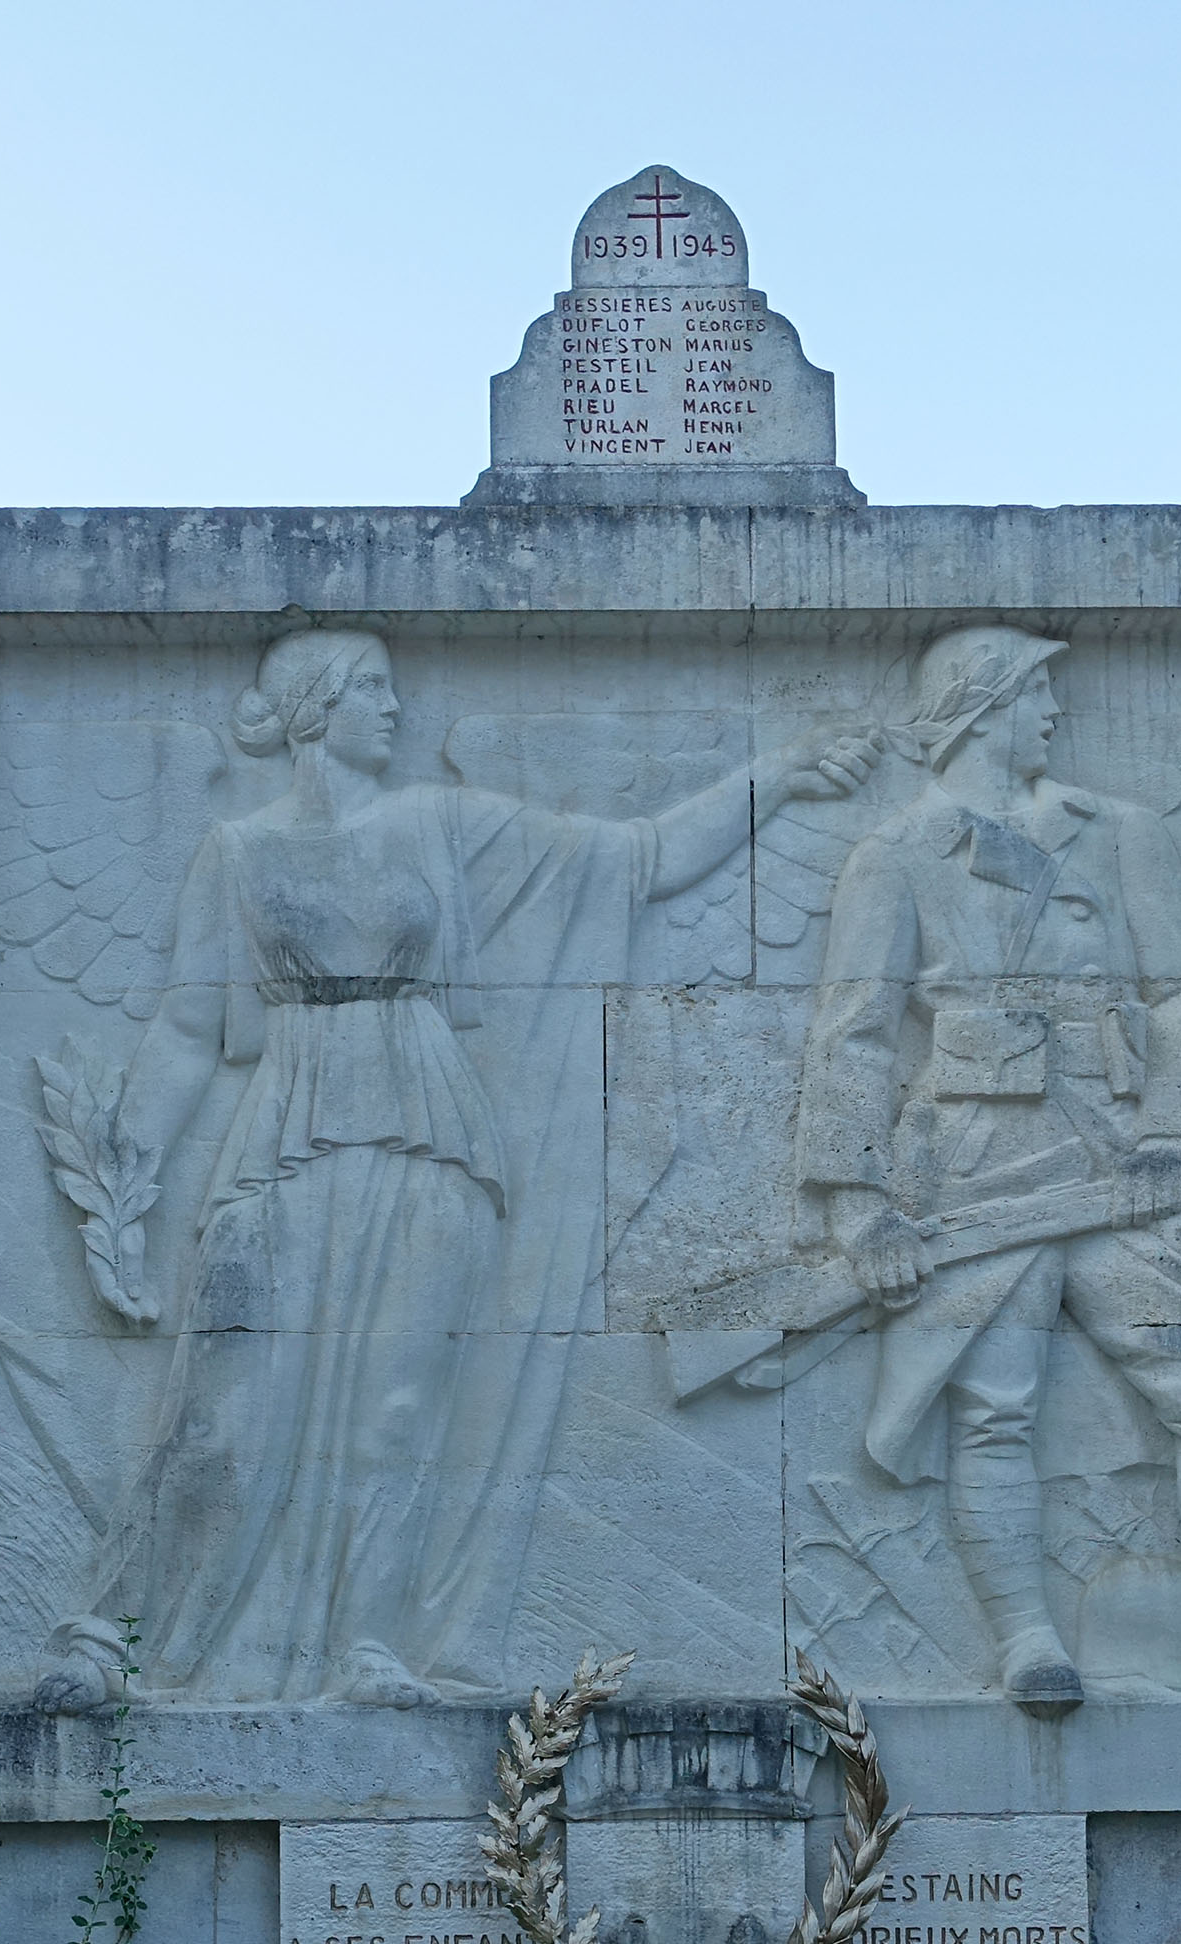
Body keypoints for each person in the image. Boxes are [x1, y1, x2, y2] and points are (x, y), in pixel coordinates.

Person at [83, 629, 875, 1706]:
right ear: (313, 708)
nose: (394, 708)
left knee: (400, 1410)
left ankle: (370, 1646)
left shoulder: (441, 822)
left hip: (433, 1133)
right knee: (218, 1414)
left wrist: (773, 776)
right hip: (282, 1136)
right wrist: (125, 1193)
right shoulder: (238, 851)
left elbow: (637, 857)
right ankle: (113, 1638)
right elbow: (186, 1028)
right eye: (371, 688)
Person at [794, 625, 1181, 1706]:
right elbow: (855, 1036)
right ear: (982, 709)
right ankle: (1028, 1644)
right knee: (993, 1408)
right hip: (975, 1165)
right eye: (1036, 694)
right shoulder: (897, 854)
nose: (1054, 713)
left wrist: (1170, 1134)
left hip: (1119, 1156)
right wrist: (858, 1205)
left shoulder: (1117, 832)